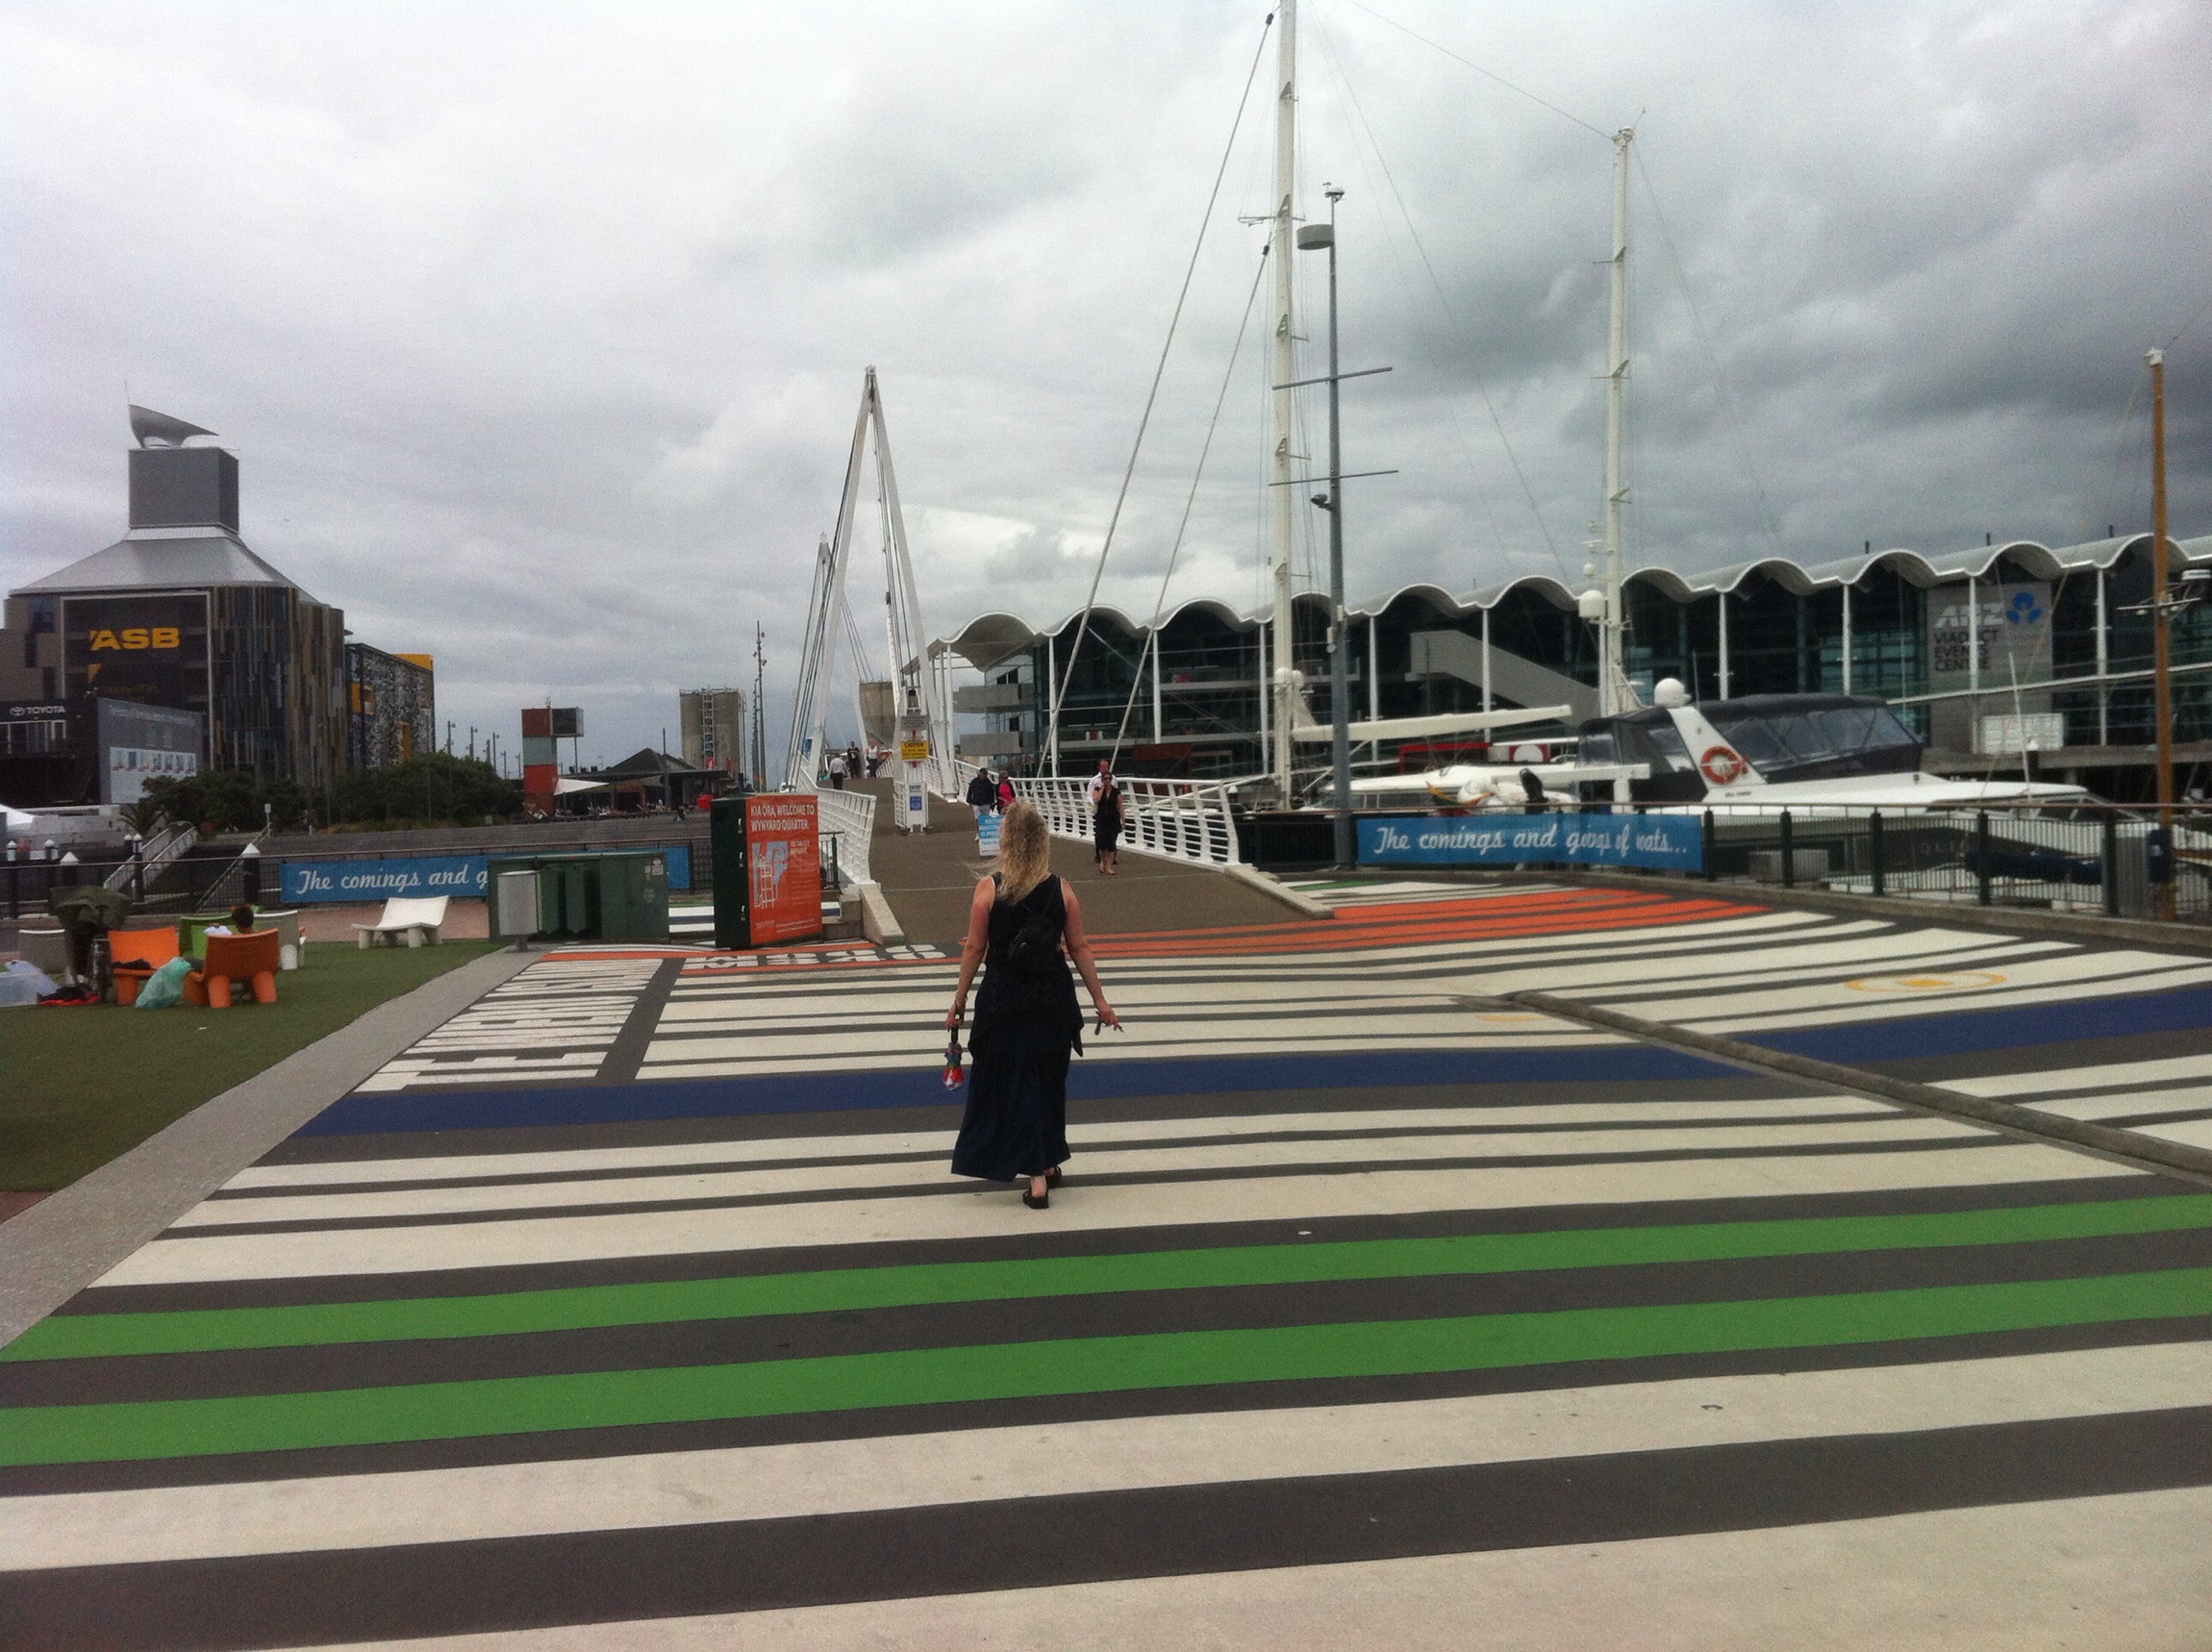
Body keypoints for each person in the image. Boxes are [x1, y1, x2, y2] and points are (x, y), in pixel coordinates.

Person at [945, 802, 1119, 1209]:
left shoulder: (989, 889)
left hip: (1004, 1001)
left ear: (1005, 841)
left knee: (1014, 1086)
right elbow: (1079, 947)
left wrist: (959, 1001)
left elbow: (974, 949)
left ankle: (1037, 1179)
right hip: (1052, 1000)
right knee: (1046, 1084)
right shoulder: (1062, 889)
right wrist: (1100, 1001)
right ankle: (1049, 1163)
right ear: (1043, 842)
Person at [1093, 772, 1123, 875]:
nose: (1108, 780)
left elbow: (1120, 807)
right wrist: (1102, 789)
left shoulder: (1116, 792)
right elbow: (1096, 800)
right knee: (1102, 844)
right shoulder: (1097, 789)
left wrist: (1123, 820)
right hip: (1101, 820)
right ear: (1102, 780)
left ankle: (1109, 866)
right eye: (1105, 779)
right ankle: (1103, 862)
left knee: (1112, 843)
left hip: (1113, 820)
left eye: (1109, 778)